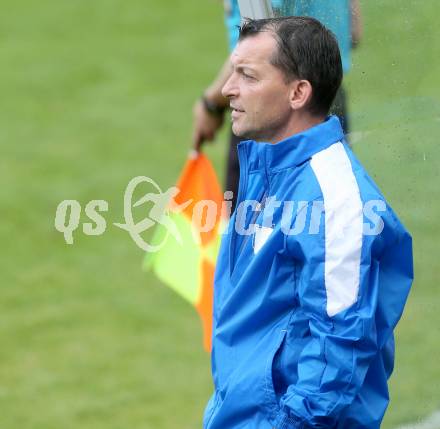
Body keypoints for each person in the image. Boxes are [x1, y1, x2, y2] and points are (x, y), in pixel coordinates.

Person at [203, 17, 413, 429]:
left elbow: (340, 347)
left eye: (247, 76)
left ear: (298, 92)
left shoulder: (335, 200)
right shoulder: (266, 174)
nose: (228, 89)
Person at [193, 0, 362, 211]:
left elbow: (267, 33)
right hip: (327, 92)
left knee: (254, 228)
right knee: (333, 207)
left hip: (273, 102)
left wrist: (211, 104)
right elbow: (354, 32)